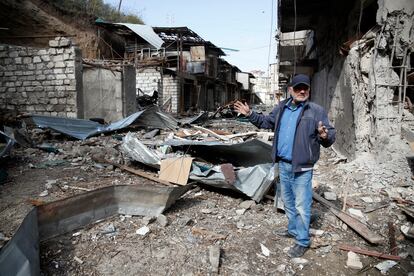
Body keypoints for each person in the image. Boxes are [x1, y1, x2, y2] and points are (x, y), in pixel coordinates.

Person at [234, 74, 336, 258]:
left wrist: (324, 135)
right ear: (291, 90)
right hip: (283, 164)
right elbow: (267, 122)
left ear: (309, 90)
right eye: (298, 88)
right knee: (287, 201)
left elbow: (329, 136)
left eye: (305, 88)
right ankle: (292, 229)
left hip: (302, 166)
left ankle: (302, 241)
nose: (302, 91)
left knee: (302, 205)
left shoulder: (316, 111)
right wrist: (250, 114)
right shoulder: (282, 107)